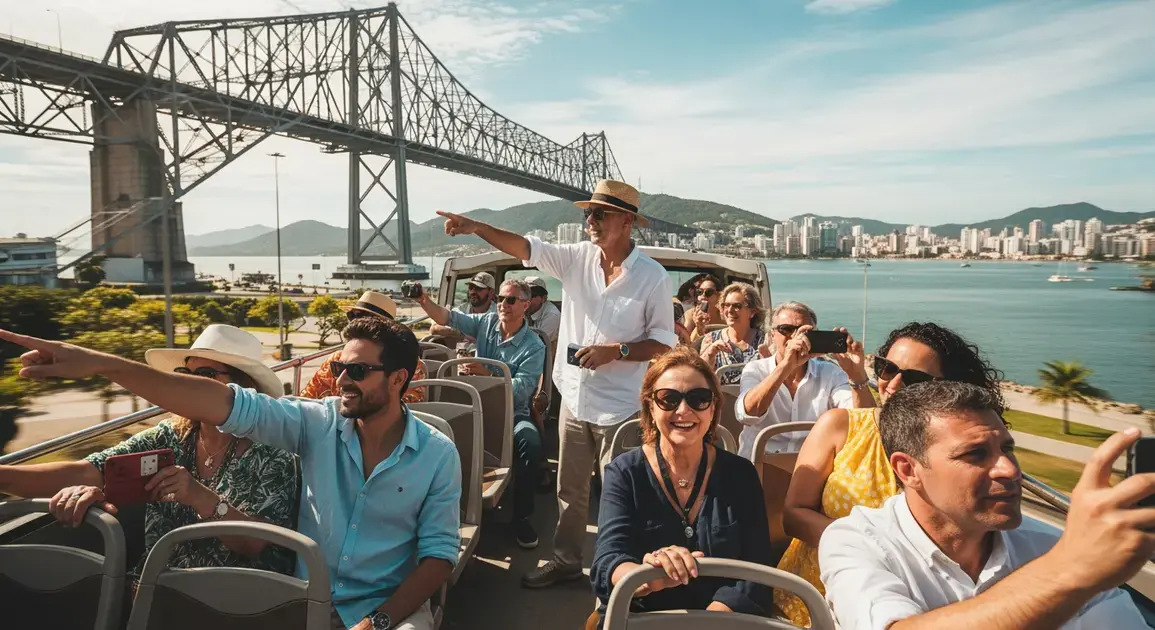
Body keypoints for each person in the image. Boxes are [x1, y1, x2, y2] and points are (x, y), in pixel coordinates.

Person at [0, 318, 461, 630]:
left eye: (357, 370)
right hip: (305, 600)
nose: (340, 378)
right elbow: (222, 405)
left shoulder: (437, 455)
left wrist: (376, 623)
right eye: (339, 366)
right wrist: (103, 365)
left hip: (384, 608)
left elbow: (439, 557)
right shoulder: (316, 424)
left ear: (399, 379)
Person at [435, 178, 677, 589]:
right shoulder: (575, 259)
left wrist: (615, 351)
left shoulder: (652, 277)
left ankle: (628, 576)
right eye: (588, 213)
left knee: (625, 495)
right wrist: (478, 227)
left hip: (622, 407)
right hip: (575, 399)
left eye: (600, 213)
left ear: (626, 221)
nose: (590, 220)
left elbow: (662, 342)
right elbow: (523, 247)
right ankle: (566, 562)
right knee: (570, 491)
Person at [820, 381, 1150, 630]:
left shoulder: (1049, 543)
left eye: (1007, 449)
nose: (1010, 470)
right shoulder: (855, 540)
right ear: (908, 470)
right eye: (975, 454)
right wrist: (1067, 571)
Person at [0, 325, 299, 587]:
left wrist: (201, 497)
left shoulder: (274, 450)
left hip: (236, 603)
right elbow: (87, 471)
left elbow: (257, 543)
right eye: (185, 374)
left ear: (242, 387)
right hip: (156, 593)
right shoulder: (169, 436)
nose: (189, 384)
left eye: (205, 375)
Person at [774, 322, 1005, 626]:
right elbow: (793, 514)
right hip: (811, 601)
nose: (893, 384)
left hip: (916, 604)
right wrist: (871, 549)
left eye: (914, 378)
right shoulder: (840, 427)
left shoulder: (957, 456)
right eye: (887, 369)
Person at [590, 347, 774, 628]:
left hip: (723, 621)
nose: (683, 410)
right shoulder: (624, 473)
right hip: (641, 618)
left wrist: (707, 622)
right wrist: (643, 578)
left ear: (713, 409)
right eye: (668, 399)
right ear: (650, 408)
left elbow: (756, 571)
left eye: (699, 399)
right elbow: (609, 559)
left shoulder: (741, 475)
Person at [414, 277, 546, 548]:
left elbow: (522, 390)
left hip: (512, 414)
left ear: (525, 305)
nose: (503, 306)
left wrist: (489, 374)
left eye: (510, 300)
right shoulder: (485, 323)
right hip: (472, 408)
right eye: (500, 299)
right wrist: (423, 300)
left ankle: (522, 516)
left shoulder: (534, 346)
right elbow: (449, 317)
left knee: (530, 442)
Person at [734, 301, 874, 459]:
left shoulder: (831, 373)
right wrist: (786, 366)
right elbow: (746, 414)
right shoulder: (756, 369)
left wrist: (856, 375)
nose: (796, 337)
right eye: (786, 329)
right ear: (772, 335)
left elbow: (864, 421)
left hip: (815, 468)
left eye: (804, 332)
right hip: (759, 466)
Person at [302, 290, 428, 403]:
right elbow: (307, 399)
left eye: (366, 320)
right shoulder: (335, 360)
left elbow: (410, 407)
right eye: (353, 316)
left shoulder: (412, 366)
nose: (357, 323)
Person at [698, 282, 769, 383]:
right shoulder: (711, 339)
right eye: (726, 305)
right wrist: (710, 354)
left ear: (752, 312)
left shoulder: (764, 339)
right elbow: (700, 377)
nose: (730, 310)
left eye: (737, 306)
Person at [427, 272, 496, 342]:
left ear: (491, 292)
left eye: (478, 288)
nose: (472, 292)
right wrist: (461, 336)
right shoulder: (462, 309)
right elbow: (435, 328)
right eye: (470, 288)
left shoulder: (498, 314)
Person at [684, 275, 725, 344]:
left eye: (708, 292)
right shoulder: (691, 314)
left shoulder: (725, 315)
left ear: (719, 295)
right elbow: (686, 343)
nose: (703, 295)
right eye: (700, 292)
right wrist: (698, 326)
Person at [524, 275, 561, 346]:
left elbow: (537, 343)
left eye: (531, 296)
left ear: (543, 298)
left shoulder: (552, 315)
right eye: (524, 295)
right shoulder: (523, 309)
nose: (526, 300)